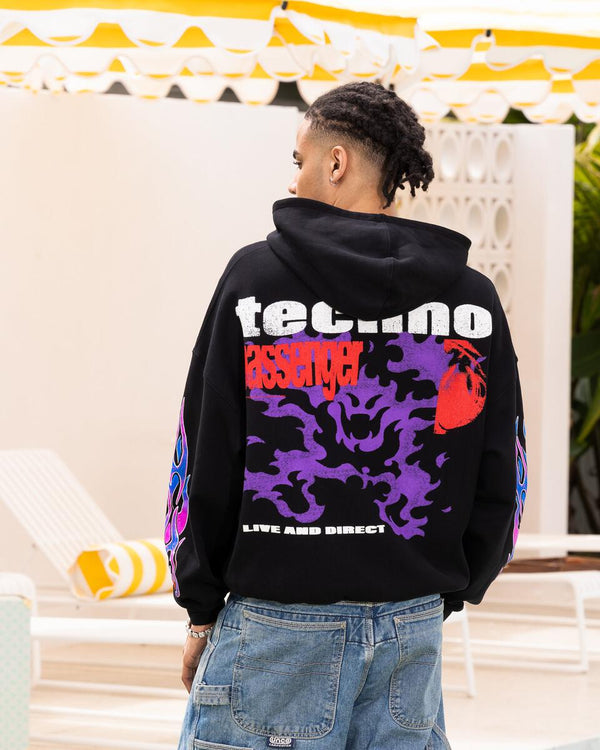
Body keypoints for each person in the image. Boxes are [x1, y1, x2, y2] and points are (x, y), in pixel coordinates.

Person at [164, 81, 527, 750]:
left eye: (298, 160)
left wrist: (200, 606)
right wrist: (443, 588)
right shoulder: (472, 301)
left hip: (274, 628)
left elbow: (207, 449)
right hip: (411, 627)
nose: (293, 180)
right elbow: (504, 465)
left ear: (336, 162)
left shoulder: (254, 281)